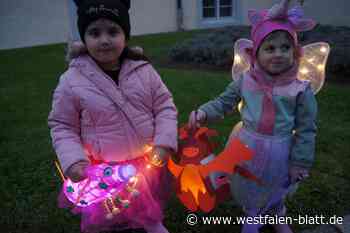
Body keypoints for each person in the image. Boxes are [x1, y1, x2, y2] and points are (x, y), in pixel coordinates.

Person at [188, 0, 321, 232]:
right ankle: (252, 214)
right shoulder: (246, 80)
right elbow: (224, 101)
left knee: (277, 182)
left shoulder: (300, 89)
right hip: (248, 144)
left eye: (285, 48)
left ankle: (277, 212)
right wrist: (204, 112)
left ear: (296, 52)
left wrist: (300, 161)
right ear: (255, 53)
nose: (278, 54)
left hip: (281, 148)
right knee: (251, 182)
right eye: (270, 48)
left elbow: (307, 128)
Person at [48, 0, 177, 232]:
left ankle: (151, 223)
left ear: (125, 35)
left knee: (145, 206)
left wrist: (164, 142)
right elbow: (62, 125)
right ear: (84, 38)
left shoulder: (144, 71)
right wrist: (73, 160)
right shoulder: (71, 80)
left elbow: (165, 106)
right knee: (102, 217)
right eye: (95, 32)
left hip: (143, 162)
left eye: (113, 31)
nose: (105, 40)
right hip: (100, 170)